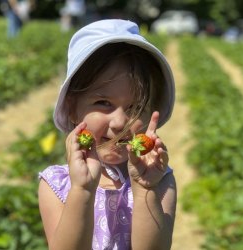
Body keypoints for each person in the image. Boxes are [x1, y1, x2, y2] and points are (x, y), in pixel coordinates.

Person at [38, 19, 177, 250]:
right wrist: (82, 190)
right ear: (72, 108)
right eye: (103, 102)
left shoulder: (160, 181)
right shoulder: (57, 184)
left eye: (135, 108)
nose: (120, 122)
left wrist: (144, 189)